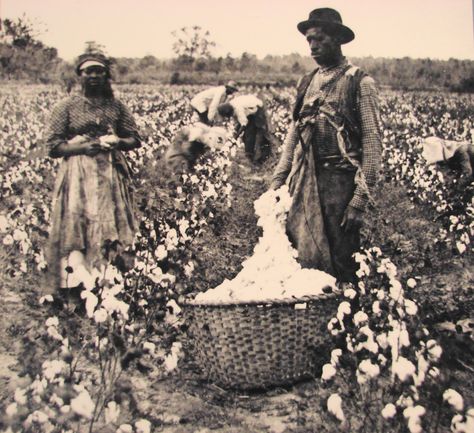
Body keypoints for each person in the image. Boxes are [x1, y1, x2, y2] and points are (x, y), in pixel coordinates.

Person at [271, 8, 382, 285]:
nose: (312, 46)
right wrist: (277, 181)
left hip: (340, 184)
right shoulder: (307, 82)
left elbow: (372, 144)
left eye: (319, 39)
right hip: (305, 180)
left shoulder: (360, 82)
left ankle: (347, 320)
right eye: (309, 40)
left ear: (337, 39)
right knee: (304, 256)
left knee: (341, 259)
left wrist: (358, 201)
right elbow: (293, 135)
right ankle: (313, 321)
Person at [44, 52, 141, 292]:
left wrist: (118, 141)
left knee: (107, 219)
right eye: (89, 71)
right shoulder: (67, 106)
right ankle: (75, 278)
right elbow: (54, 147)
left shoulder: (116, 106)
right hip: (78, 172)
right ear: (80, 75)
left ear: (106, 75)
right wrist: (84, 147)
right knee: (79, 219)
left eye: (99, 71)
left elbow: (135, 139)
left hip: (108, 172)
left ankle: (105, 273)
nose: (94, 76)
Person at [217, 94, 275, 164]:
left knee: (259, 133)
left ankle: (263, 157)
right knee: (247, 136)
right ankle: (251, 154)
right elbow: (240, 121)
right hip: (250, 109)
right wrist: (235, 132)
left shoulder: (238, 108)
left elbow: (244, 123)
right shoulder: (232, 105)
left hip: (257, 109)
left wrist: (236, 136)